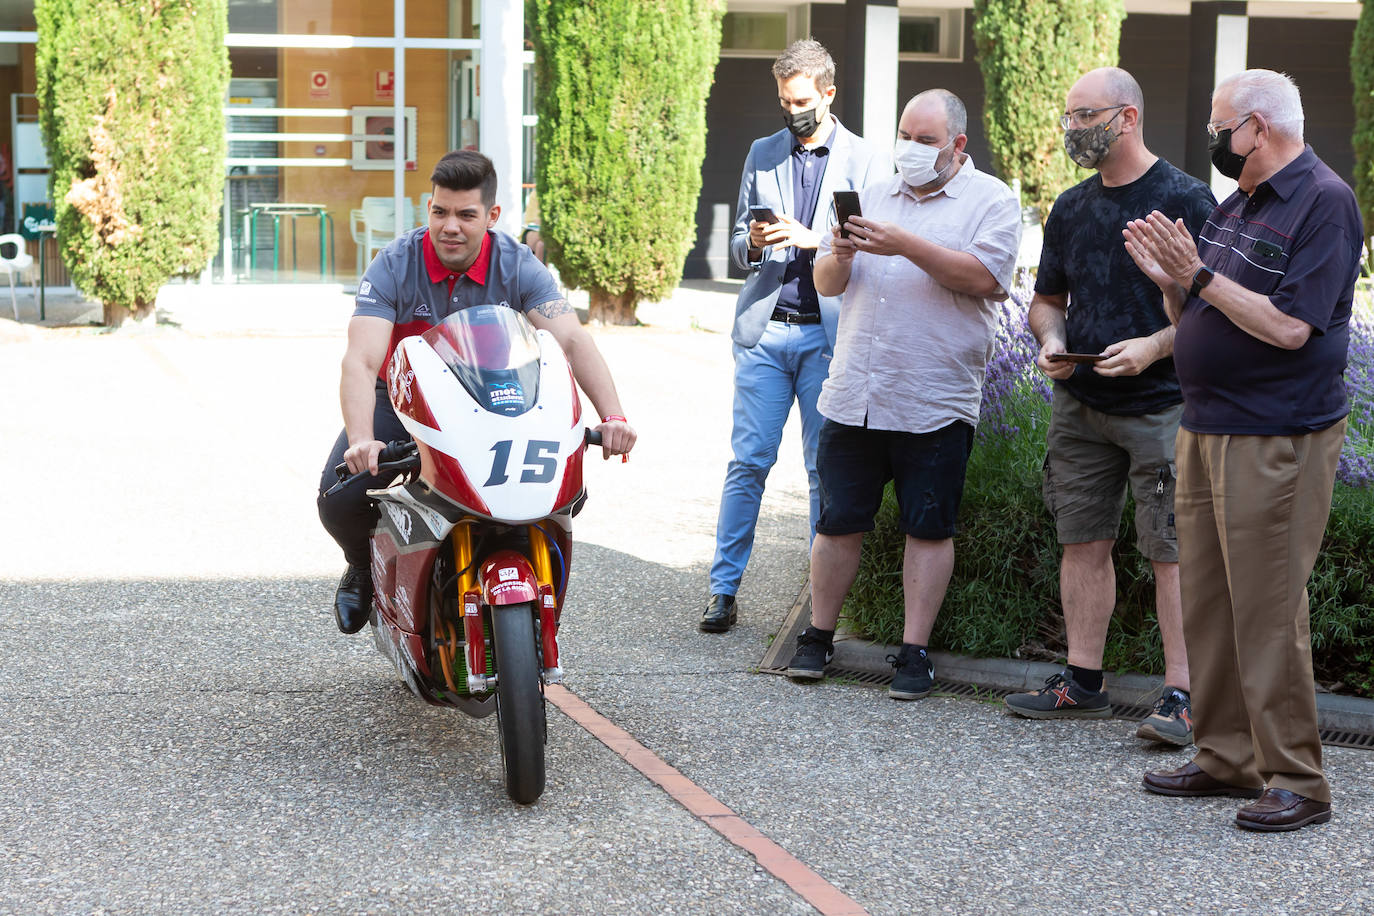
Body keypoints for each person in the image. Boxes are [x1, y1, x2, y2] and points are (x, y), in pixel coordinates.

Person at [1124, 70, 1361, 832]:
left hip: (1276, 436)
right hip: (1207, 425)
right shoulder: (1239, 205)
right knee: (1212, 605)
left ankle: (1299, 780)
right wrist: (1173, 283)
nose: (1215, 141)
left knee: (1266, 612)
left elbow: (1293, 327)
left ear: (1259, 128)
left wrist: (1197, 276)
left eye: (1221, 127)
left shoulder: (1325, 203)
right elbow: (1199, 306)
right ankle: (1226, 757)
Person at [317, 150, 636, 634]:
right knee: (338, 498)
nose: (450, 227)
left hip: (494, 397)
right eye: (440, 212)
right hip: (401, 399)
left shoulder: (519, 264)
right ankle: (363, 565)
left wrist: (611, 416)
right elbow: (361, 360)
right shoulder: (394, 263)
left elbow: (571, 339)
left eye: (466, 215)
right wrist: (363, 439)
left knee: (556, 492)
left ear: (491, 216)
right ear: (428, 207)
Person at [782, 89, 1020, 698]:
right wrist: (837, 252)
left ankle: (914, 652)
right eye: (905, 136)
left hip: (933, 396)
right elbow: (829, 283)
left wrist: (904, 244)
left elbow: (987, 280)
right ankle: (816, 637)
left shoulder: (990, 200)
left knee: (928, 527)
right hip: (857, 388)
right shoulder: (874, 192)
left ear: (956, 146)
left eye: (925, 140)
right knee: (838, 523)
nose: (909, 149)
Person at [1003, 68, 1215, 745]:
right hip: (1080, 403)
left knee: (1172, 553)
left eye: (1083, 115)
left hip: (1163, 406)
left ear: (1126, 117)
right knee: (1081, 542)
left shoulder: (1188, 199)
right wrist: (1053, 341)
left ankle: (1183, 697)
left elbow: (1216, 316)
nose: (1070, 128)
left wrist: (1154, 347)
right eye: (1067, 116)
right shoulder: (1069, 207)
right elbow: (1046, 302)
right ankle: (1082, 683)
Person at [700, 39, 889, 634]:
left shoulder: (866, 160)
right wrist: (752, 244)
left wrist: (812, 239)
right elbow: (736, 245)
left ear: (829, 94)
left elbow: (876, 251)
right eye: (784, 101)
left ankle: (818, 605)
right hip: (764, 332)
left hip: (828, 339)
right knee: (747, 464)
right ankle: (723, 591)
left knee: (819, 472)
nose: (792, 111)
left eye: (802, 100)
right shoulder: (762, 151)